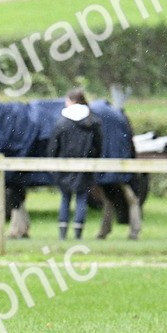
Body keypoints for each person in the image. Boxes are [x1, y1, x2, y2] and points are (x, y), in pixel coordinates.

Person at [47, 87, 103, 240]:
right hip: (85, 167)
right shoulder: (93, 121)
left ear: (71, 101)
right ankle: (78, 233)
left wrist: (53, 163)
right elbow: (98, 145)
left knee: (65, 198)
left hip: (64, 167)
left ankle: (63, 233)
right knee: (81, 198)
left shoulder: (62, 122)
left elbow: (53, 146)